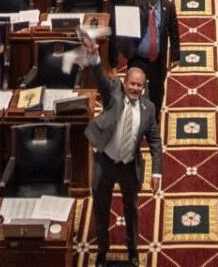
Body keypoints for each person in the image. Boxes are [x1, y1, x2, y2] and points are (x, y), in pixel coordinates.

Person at [81, 36, 163, 267]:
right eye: (132, 84)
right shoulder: (113, 96)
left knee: (131, 211)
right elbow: (100, 78)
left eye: (140, 85)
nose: (135, 88)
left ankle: (133, 251)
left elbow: (155, 141)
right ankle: (102, 252)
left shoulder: (149, 109)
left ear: (143, 87)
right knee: (101, 210)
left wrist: (157, 172)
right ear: (124, 83)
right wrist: (95, 56)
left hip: (129, 167)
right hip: (105, 163)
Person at [113, 0, 178, 112]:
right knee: (132, 90)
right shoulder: (136, 1)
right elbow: (120, 2)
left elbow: (174, 32)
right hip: (138, 57)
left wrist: (175, 55)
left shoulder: (169, 7)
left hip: (158, 60)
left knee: (156, 93)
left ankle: (154, 122)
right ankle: (130, 118)